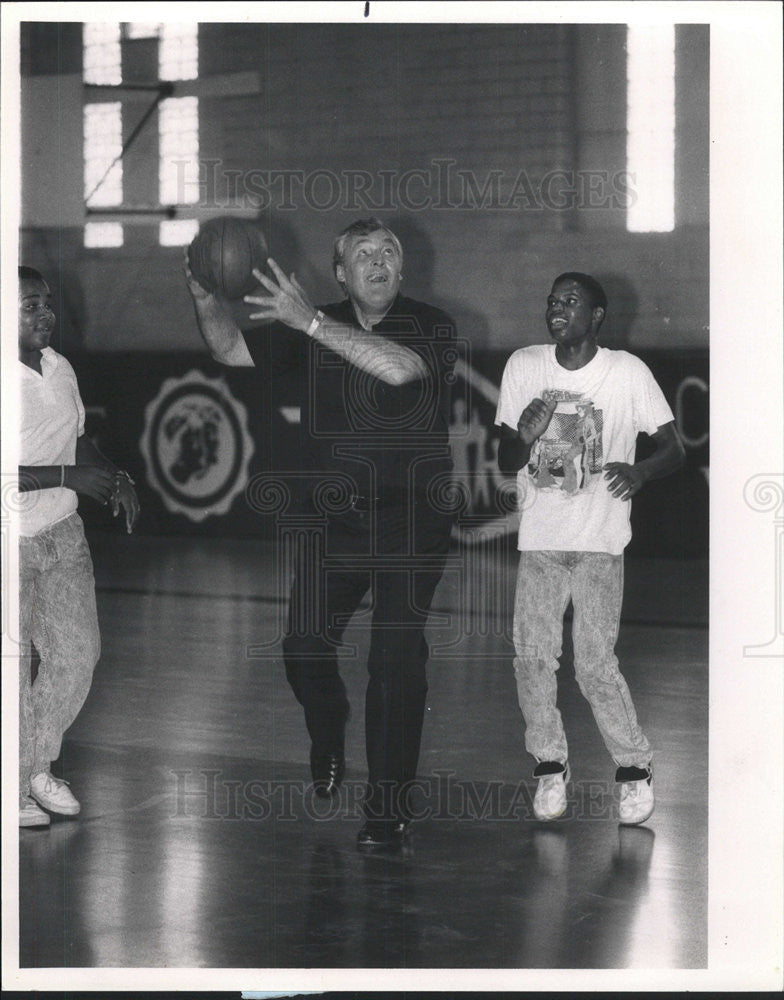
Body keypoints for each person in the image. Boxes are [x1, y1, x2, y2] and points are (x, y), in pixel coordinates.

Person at [186, 218, 457, 849]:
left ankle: (387, 808)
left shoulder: (430, 323)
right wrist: (205, 297)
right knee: (303, 648)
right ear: (341, 274)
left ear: (402, 269)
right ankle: (328, 726)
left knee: (395, 662)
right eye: (363, 253)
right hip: (338, 516)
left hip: (411, 517)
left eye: (389, 250)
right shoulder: (312, 323)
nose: (379, 259)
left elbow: (398, 371)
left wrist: (308, 322)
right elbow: (229, 350)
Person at [495, 272, 685, 826]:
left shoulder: (626, 372)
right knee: (531, 658)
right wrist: (522, 437)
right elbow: (509, 455)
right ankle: (550, 766)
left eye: (570, 302)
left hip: (600, 544)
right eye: (552, 300)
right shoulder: (524, 365)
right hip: (542, 544)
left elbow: (674, 448)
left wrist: (643, 470)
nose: (558, 309)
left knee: (595, 665)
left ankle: (633, 769)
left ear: (596, 315)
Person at [17, 266, 140, 828]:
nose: (44, 314)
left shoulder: (59, 367)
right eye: (28, 305)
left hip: (63, 533)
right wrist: (68, 474)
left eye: (46, 303)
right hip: (9, 541)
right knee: (10, 670)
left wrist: (115, 475)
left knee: (77, 656)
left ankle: (31, 765)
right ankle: (11, 782)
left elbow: (79, 437)